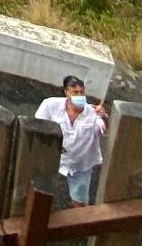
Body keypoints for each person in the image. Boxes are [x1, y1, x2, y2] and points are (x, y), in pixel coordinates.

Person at [35, 75, 109, 205]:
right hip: (54, 160)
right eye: (75, 92)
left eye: (81, 92)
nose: (79, 95)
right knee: (40, 195)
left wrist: (103, 117)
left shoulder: (93, 112)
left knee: (80, 203)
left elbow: (103, 130)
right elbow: (37, 126)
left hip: (80, 165)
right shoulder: (50, 105)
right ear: (66, 92)